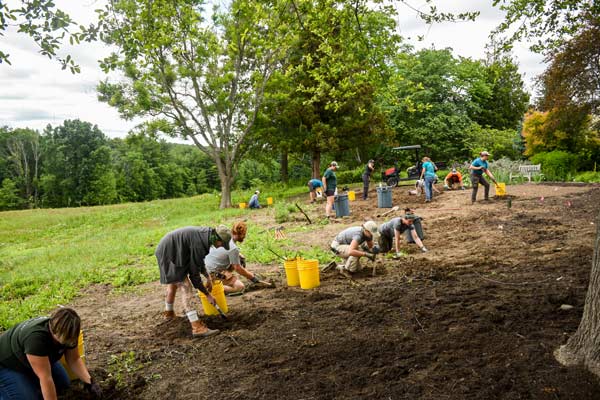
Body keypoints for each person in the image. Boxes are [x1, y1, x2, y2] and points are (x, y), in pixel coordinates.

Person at [0, 307, 102, 400]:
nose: (69, 343)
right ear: (54, 331)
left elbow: (74, 359)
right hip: (6, 365)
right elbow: (45, 378)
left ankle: (26, 381)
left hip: (32, 359)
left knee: (62, 384)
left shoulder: (70, 331)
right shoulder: (36, 340)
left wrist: (90, 382)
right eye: (66, 341)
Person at [155, 225, 232, 338]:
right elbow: (194, 275)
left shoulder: (205, 236)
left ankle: (169, 314)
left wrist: (208, 277)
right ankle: (197, 327)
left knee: (174, 282)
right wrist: (207, 295)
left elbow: (198, 261)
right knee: (185, 286)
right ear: (217, 239)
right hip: (169, 253)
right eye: (222, 243)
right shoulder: (200, 243)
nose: (220, 246)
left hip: (173, 250)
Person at [205, 222, 261, 295]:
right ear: (241, 234)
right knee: (239, 287)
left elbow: (225, 251)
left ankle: (217, 282)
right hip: (213, 272)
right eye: (244, 234)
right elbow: (237, 268)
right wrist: (252, 277)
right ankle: (212, 288)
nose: (244, 237)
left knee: (235, 261)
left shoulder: (224, 238)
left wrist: (239, 255)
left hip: (206, 267)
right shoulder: (233, 248)